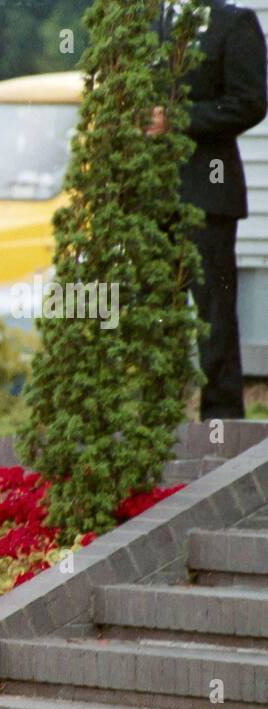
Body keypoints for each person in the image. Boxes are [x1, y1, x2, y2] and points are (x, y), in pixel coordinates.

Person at [149, 0, 267, 420]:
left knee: (214, 317)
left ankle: (222, 426)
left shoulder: (234, 23)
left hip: (209, 194)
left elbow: (250, 102)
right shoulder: (144, 23)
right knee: (152, 317)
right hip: (149, 195)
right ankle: (155, 422)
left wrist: (178, 118)